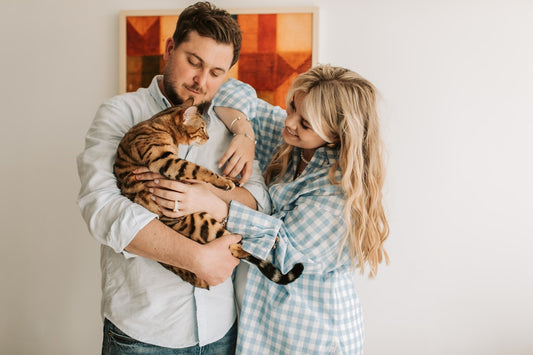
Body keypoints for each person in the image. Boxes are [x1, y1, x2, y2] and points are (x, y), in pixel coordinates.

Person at [145, 64, 390, 354]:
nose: (290, 122)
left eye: (306, 123)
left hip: (312, 334)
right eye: (293, 107)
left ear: (334, 135)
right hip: (263, 326)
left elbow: (281, 252)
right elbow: (226, 87)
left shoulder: (338, 193)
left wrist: (214, 203)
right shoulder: (289, 140)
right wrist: (244, 133)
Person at [76, 2, 269, 354]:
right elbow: (101, 209)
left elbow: (259, 203)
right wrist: (197, 259)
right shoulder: (121, 113)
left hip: (222, 331)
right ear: (169, 49)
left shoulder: (231, 125)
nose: (201, 81)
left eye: (216, 71)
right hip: (141, 334)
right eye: (193, 62)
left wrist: (212, 199)